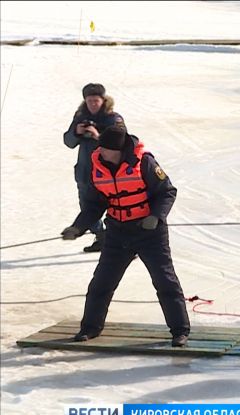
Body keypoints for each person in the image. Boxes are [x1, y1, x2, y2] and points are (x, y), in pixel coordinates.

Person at [61, 126, 191, 347]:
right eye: (100, 147)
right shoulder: (97, 166)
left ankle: (180, 331)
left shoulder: (144, 163)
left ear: (118, 150)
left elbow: (167, 191)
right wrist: (78, 227)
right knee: (102, 282)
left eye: (106, 149)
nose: (101, 151)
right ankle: (90, 328)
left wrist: (156, 216)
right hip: (117, 232)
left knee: (165, 280)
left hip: (150, 232)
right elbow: (95, 204)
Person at [63, 83, 125, 252]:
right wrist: (76, 131)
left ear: (103, 100)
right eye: (89, 101)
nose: (92, 104)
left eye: (96, 101)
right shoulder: (80, 117)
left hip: (108, 174)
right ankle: (102, 237)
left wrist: (99, 136)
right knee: (87, 209)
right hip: (85, 173)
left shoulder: (113, 119)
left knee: (115, 209)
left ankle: (116, 241)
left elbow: (122, 144)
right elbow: (69, 142)